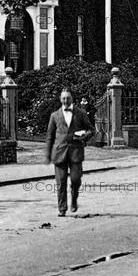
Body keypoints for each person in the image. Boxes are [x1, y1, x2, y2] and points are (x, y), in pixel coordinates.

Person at [45, 87, 94, 216]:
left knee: (75, 180)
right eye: (63, 98)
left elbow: (91, 130)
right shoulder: (54, 115)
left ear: (72, 99)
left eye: (68, 98)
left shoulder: (81, 113)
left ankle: (74, 200)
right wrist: (48, 154)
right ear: (60, 99)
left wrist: (85, 136)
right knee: (61, 183)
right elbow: (50, 136)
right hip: (59, 153)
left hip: (76, 152)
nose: (65, 101)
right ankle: (62, 209)